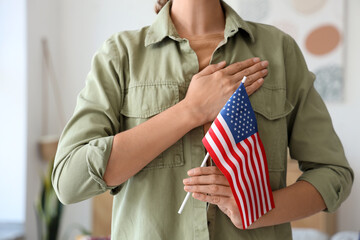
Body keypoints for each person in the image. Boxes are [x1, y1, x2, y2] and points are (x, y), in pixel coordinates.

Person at [52, 0, 354, 239]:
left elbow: (333, 173)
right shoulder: (120, 55)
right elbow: (69, 180)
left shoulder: (279, 51)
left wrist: (257, 210)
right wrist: (190, 110)